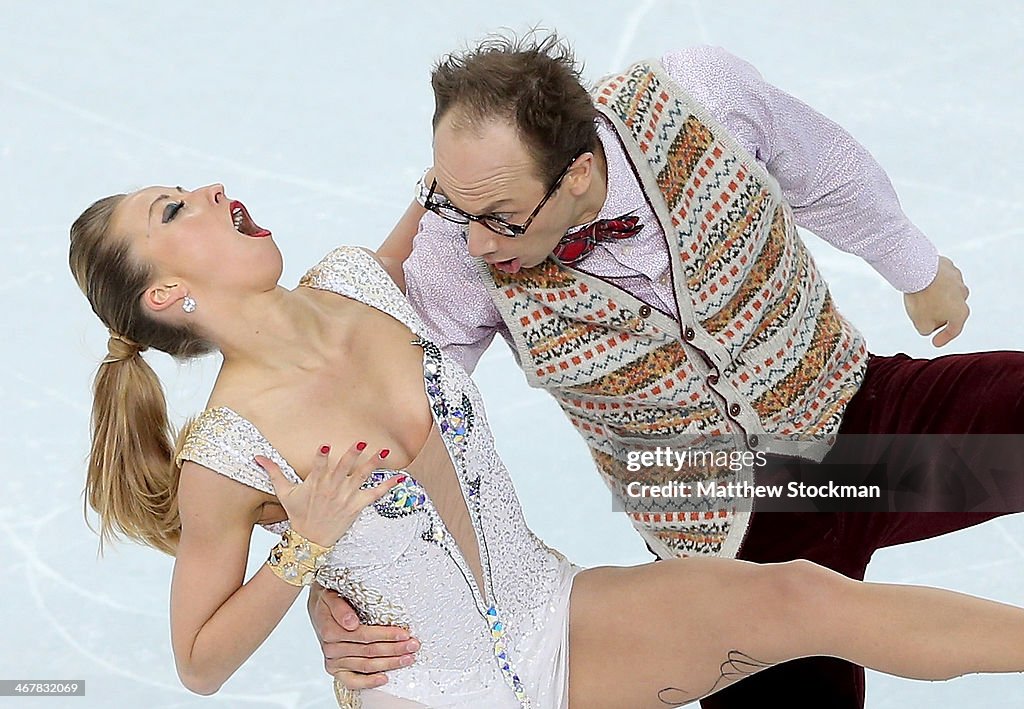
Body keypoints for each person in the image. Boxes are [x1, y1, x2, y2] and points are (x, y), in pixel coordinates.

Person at [71, 183, 1024, 708]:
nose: (210, 192)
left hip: (561, 618)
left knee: (801, 594)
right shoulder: (227, 452)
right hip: (431, 695)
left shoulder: (361, 280)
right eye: (172, 211)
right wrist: (302, 550)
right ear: (166, 296)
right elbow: (197, 662)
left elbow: (463, 184)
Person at [312, 31, 1024, 708]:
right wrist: (340, 585)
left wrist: (916, 267)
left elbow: (824, 168)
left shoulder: (699, 95)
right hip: (727, 548)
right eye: (454, 206)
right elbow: (401, 417)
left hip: (865, 424)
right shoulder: (456, 248)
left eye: (499, 215)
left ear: (578, 172)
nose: (472, 237)